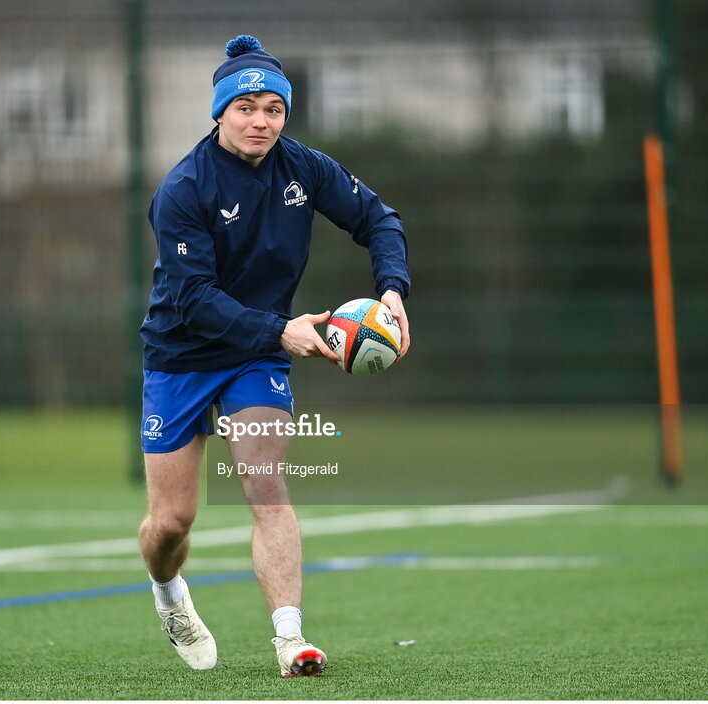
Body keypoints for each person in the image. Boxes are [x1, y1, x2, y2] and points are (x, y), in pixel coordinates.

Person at [137, 34, 411, 677]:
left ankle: (291, 639)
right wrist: (281, 330)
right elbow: (195, 298)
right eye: (247, 107)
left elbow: (379, 220)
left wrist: (393, 290)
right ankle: (168, 592)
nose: (261, 121)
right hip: (181, 353)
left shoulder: (306, 168)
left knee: (265, 485)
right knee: (171, 523)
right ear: (219, 112)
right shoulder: (183, 189)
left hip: (258, 354)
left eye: (274, 109)